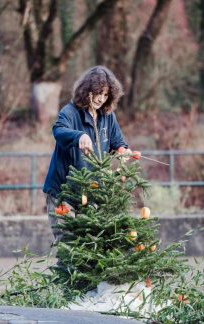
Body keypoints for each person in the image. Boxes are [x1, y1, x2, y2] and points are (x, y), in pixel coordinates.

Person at [43, 65, 140, 243]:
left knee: (91, 246)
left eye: (106, 95)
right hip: (63, 193)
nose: (101, 99)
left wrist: (123, 150)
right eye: (98, 93)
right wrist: (79, 136)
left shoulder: (108, 115)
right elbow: (58, 131)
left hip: (92, 193)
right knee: (69, 245)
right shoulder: (69, 112)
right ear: (87, 90)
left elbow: (117, 142)